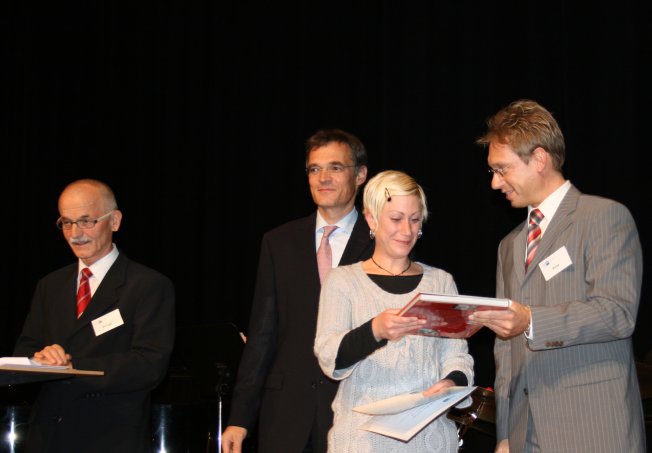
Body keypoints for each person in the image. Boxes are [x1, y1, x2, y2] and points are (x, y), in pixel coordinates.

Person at [470, 99, 645, 453]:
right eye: (492, 171)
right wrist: (505, 434)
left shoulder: (603, 217)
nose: (495, 183)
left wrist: (531, 320)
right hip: (525, 436)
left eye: (502, 169)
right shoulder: (509, 246)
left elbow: (617, 313)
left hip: (592, 430)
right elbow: (505, 352)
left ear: (539, 159)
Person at [222, 129, 374, 453]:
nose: (323, 178)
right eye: (314, 169)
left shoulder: (381, 243)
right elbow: (262, 335)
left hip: (354, 413)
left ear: (360, 175)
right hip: (285, 414)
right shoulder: (279, 242)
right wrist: (240, 418)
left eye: (335, 167)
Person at [314, 170, 474, 452]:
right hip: (362, 442)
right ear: (371, 219)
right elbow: (329, 356)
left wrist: (452, 381)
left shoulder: (440, 282)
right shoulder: (343, 281)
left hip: (430, 441)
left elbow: (457, 356)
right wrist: (374, 331)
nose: (407, 231)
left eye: (415, 219)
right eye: (396, 219)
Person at [13, 179, 175, 453]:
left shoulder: (147, 285)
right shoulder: (50, 285)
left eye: (86, 221)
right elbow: (25, 351)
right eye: (67, 223)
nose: (75, 233)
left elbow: (148, 365)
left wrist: (71, 366)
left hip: (109, 438)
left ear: (115, 221)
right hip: (47, 437)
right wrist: (39, 360)